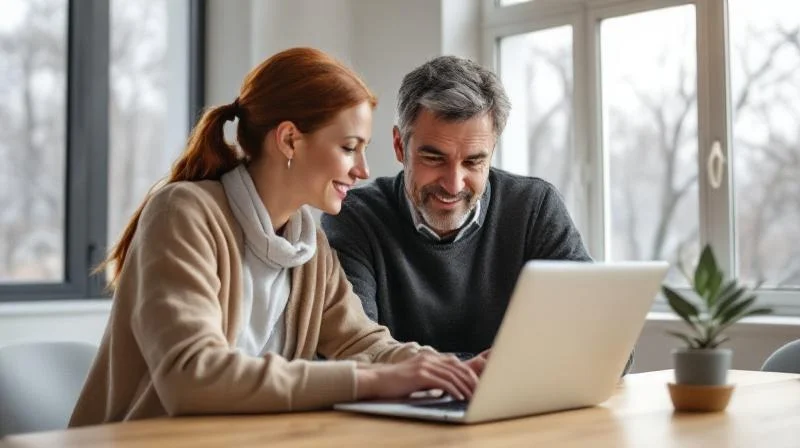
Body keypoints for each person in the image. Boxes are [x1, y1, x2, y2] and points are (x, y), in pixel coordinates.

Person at [69, 48, 487, 428]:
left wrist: (450, 371)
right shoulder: (183, 213)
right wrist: (370, 381)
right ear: (289, 140)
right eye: (349, 147)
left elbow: (363, 342)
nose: (363, 170)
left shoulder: (307, 245)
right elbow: (191, 376)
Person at [321, 55, 623, 367]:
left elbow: (608, 349)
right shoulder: (354, 217)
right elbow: (353, 357)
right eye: (434, 158)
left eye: (473, 161)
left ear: (492, 152)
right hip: (415, 403)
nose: (453, 184)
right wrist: (492, 367)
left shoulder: (534, 208)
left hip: (516, 398)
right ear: (400, 146)